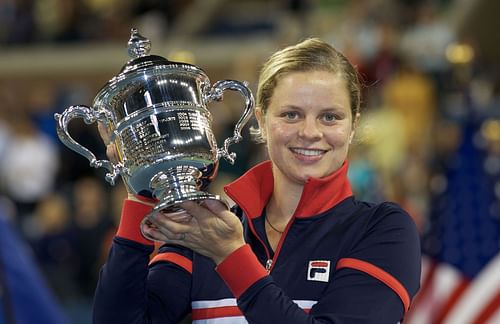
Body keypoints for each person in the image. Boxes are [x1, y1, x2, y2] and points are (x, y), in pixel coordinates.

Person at [93, 38, 421, 323]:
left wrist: (231, 257)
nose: (309, 132)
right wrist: (143, 191)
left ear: (353, 126)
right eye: (290, 114)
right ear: (262, 121)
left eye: (330, 117)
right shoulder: (207, 231)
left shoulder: (382, 230)